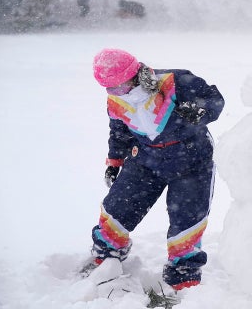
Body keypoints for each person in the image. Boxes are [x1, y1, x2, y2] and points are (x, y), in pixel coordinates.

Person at [84, 48, 225, 291]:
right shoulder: (116, 99)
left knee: (187, 218)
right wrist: (114, 161)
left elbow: (215, 100)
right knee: (118, 206)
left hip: (191, 159)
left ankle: (183, 273)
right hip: (147, 158)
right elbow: (119, 132)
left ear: (135, 74)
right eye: (110, 89)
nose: (117, 92)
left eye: (120, 86)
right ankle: (106, 254)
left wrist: (200, 111)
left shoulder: (176, 81)